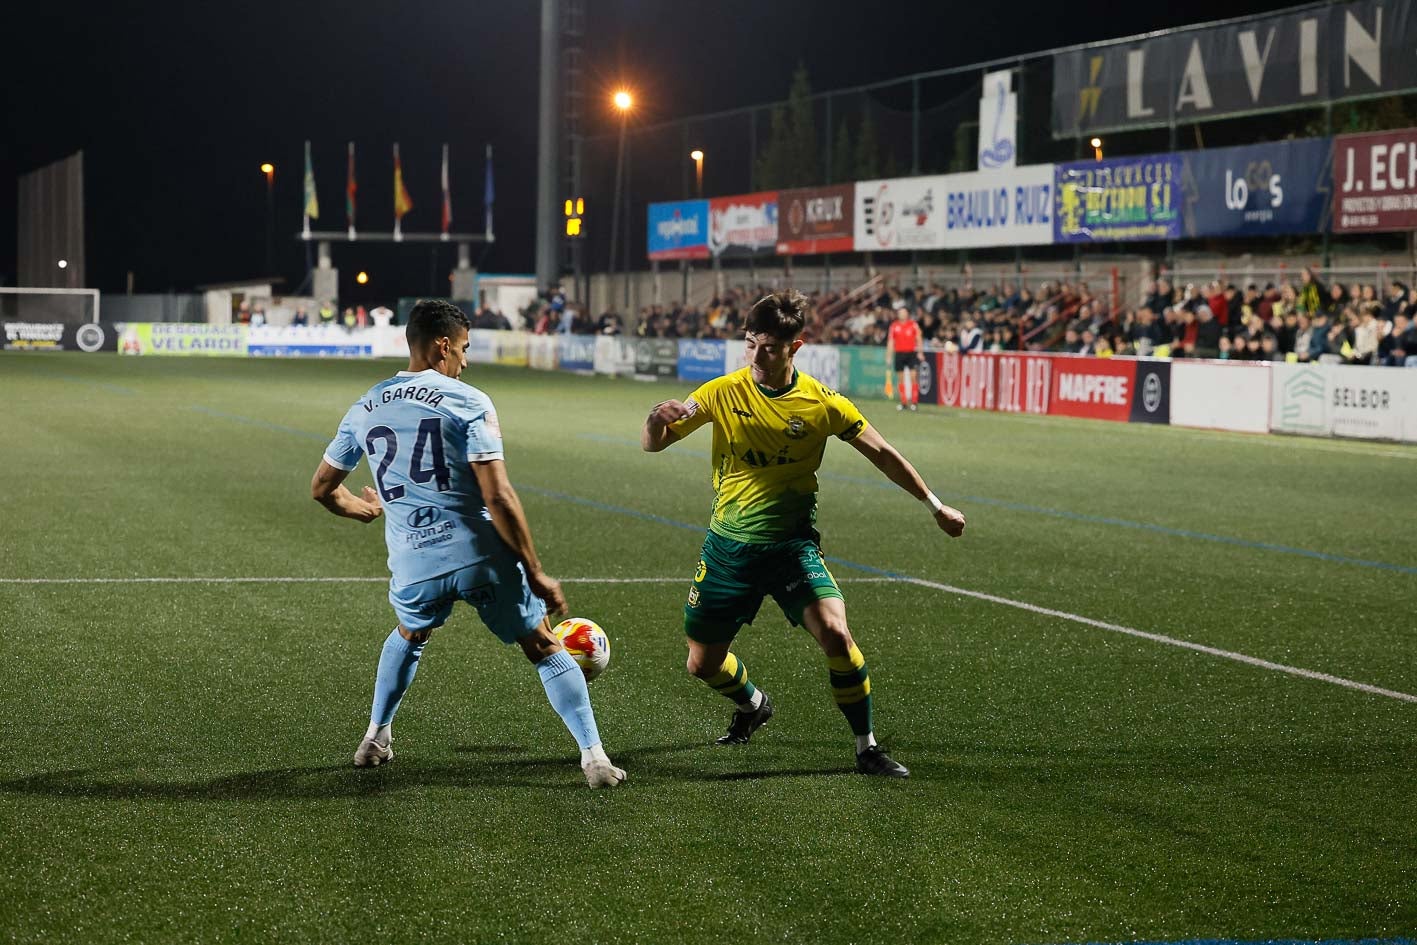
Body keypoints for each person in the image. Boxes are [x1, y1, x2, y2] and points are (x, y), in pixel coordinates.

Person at [640, 290, 967, 779]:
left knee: (836, 633)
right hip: (728, 549)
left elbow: (882, 452)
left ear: (796, 346)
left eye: (769, 347)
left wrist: (935, 506)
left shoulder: (821, 403)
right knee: (702, 665)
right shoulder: (720, 392)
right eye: (750, 344)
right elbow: (654, 446)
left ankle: (866, 748)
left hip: (792, 548)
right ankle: (753, 704)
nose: (756, 356)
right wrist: (655, 420)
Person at [310, 298, 625, 789]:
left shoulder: (365, 406)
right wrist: (536, 570)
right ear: (441, 346)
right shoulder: (468, 400)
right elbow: (498, 495)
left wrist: (366, 509)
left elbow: (322, 488)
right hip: (479, 554)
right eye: (463, 348)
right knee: (543, 643)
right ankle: (595, 759)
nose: (465, 359)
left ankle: (374, 738)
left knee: (410, 635)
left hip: (414, 562)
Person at [887, 306, 923, 411]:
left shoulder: (913, 325)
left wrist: (920, 352)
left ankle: (914, 402)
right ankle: (904, 402)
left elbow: (919, 338)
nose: (901, 314)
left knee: (913, 376)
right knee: (901, 378)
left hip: (911, 353)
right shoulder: (894, 326)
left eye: (903, 312)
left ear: (907, 314)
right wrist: (889, 356)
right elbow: (890, 342)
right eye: (900, 313)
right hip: (899, 354)